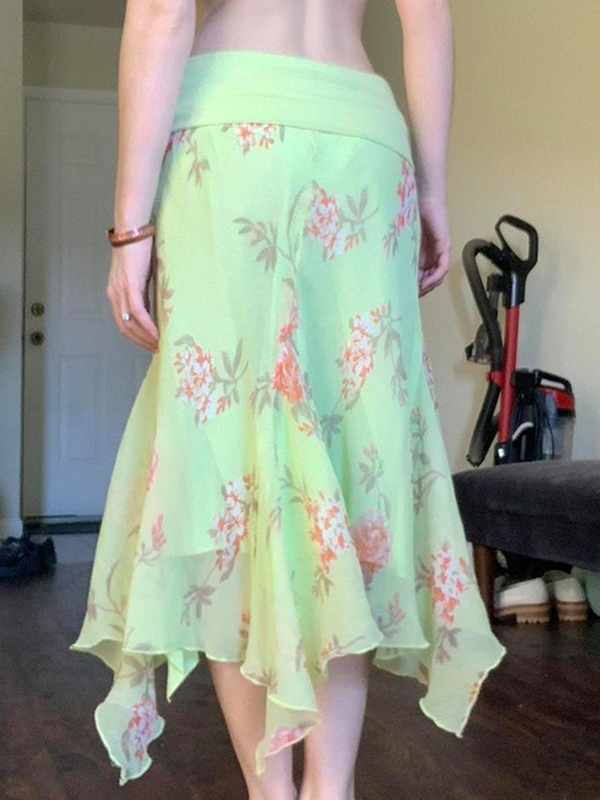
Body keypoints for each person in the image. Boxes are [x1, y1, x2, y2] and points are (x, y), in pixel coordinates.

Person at [70, 1, 507, 799]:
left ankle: (271, 793)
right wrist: (434, 190)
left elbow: (162, 12)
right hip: (365, 137)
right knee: (349, 468)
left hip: (230, 126)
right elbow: (428, 18)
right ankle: (330, 789)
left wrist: (129, 228)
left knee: (231, 470)